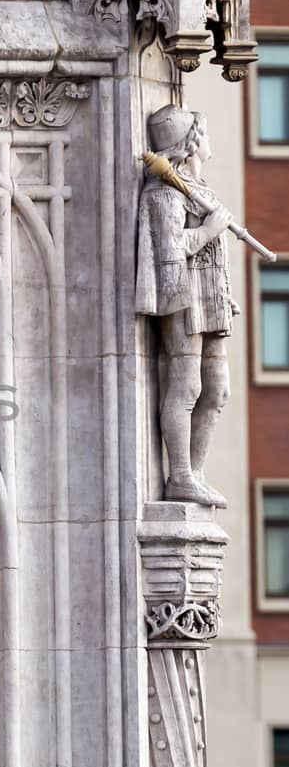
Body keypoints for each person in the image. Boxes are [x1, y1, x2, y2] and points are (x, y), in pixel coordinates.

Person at [135, 105, 233, 508]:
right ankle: (179, 475)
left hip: (210, 301)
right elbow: (169, 252)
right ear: (190, 143)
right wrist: (209, 230)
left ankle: (196, 473)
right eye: (204, 133)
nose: (209, 142)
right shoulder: (163, 193)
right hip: (183, 300)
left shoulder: (197, 187)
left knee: (218, 390)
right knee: (188, 385)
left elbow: (214, 257)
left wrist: (225, 292)